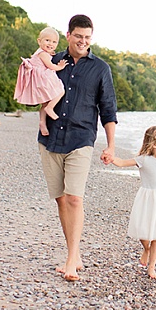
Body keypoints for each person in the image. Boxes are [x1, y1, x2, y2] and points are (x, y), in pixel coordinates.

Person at [39, 14, 117, 282]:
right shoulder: (52, 62)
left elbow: (108, 109)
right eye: (78, 36)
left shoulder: (100, 69)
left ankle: (71, 259)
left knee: (74, 198)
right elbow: (35, 89)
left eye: (88, 37)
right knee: (61, 198)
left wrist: (111, 145)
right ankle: (74, 252)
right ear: (69, 35)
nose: (83, 41)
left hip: (82, 138)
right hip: (50, 138)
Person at [107, 125, 156, 280]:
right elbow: (123, 163)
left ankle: (152, 267)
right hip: (147, 199)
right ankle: (147, 249)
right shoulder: (143, 160)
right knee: (142, 230)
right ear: (154, 144)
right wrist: (111, 158)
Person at [14, 26, 68, 136]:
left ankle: (42, 123)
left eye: (54, 42)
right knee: (61, 90)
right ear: (39, 41)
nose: (50, 44)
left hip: (37, 80)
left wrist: (50, 53)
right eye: (47, 40)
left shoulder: (42, 52)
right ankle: (51, 108)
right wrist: (60, 67)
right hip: (43, 77)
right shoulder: (43, 54)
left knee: (44, 102)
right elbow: (50, 66)